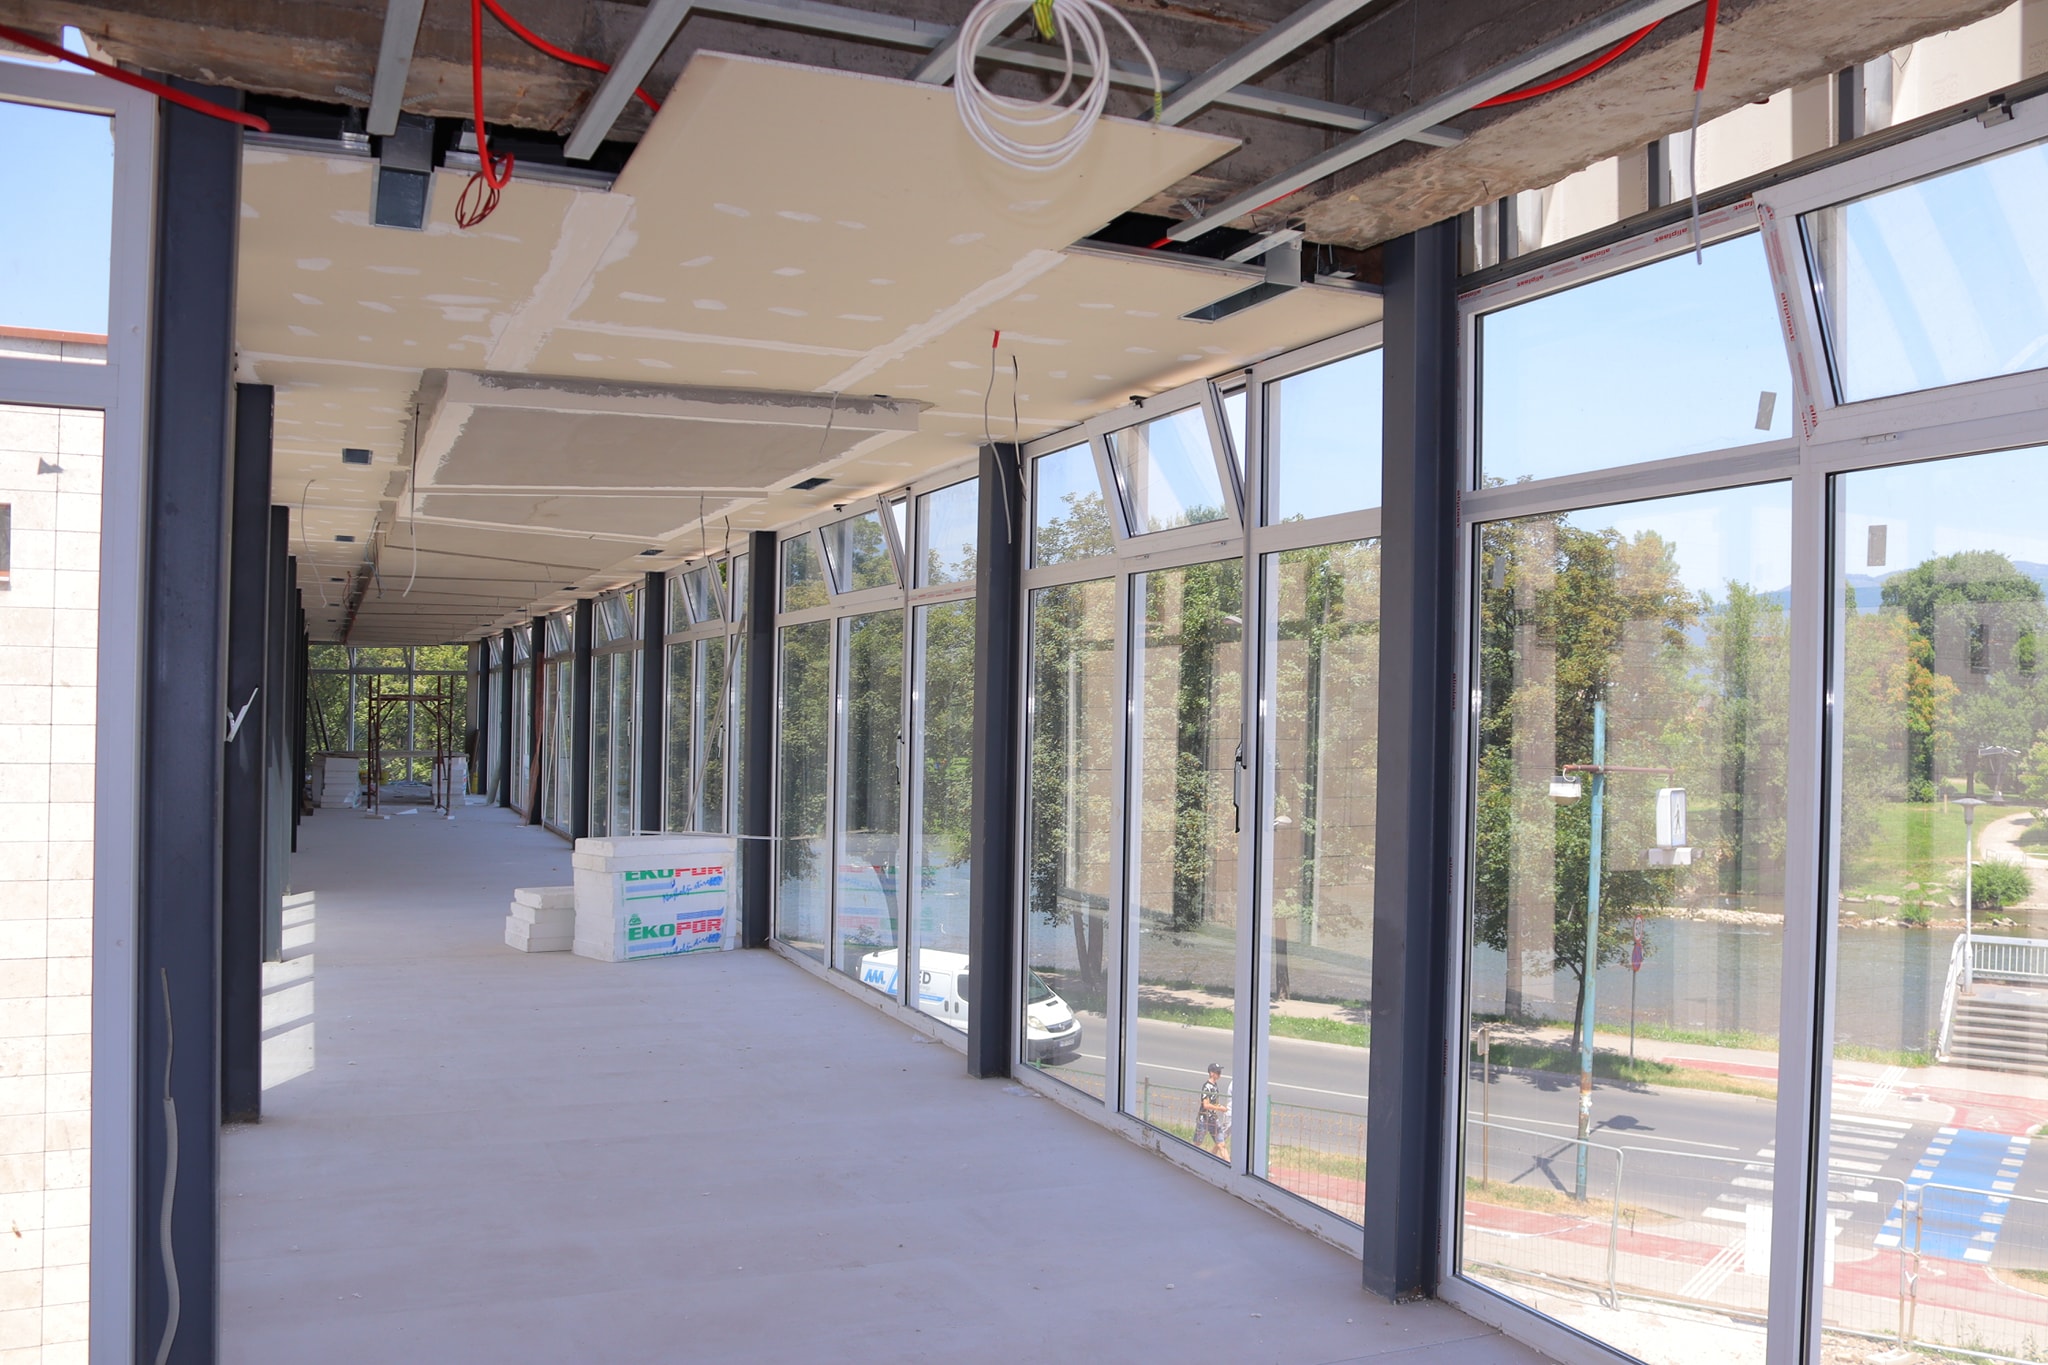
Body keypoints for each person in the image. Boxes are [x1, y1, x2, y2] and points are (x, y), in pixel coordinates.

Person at [1196, 1062, 1231, 1160]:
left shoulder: (1215, 1086)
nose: (1220, 1075)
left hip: (1213, 1119)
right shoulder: (1207, 1087)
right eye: (1218, 1072)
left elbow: (1214, 1102)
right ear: (1211, 1073)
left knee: (1221, 1144)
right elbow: (1206, 1105)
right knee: (1197, 1143)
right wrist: (1219, 1108)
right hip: (1204, 1119)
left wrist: (1220, 1107)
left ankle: (1228, 1163)